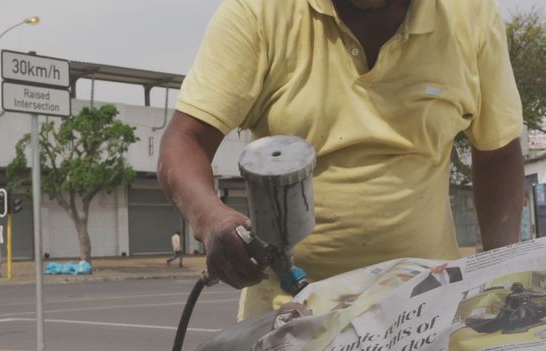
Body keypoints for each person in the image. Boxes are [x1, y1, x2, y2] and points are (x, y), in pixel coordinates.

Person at [158, 0, 525, 321]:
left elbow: (498, 150)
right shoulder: (259, 11)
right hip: (289, 315)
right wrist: (210, 217)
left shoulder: (470, 14)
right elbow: (185, 139)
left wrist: (499, 274)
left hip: (425, 313)